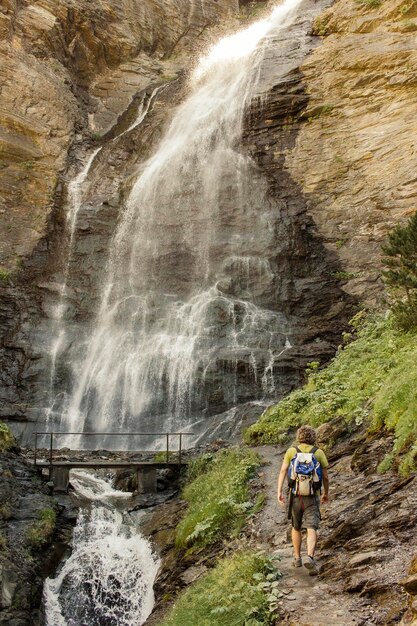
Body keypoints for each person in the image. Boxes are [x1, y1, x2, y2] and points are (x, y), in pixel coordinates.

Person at [277, 425, 329, 576]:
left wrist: (279, 491)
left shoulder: (291, 451)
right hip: (312, 496)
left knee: (296, 526)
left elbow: (282, 471)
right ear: (313, 438)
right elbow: (325, 477)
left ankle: (297, 558)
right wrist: (326, 492)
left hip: (295, 495)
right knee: (312, 526)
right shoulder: (318, 453)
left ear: (298, 437)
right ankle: (310, 557)